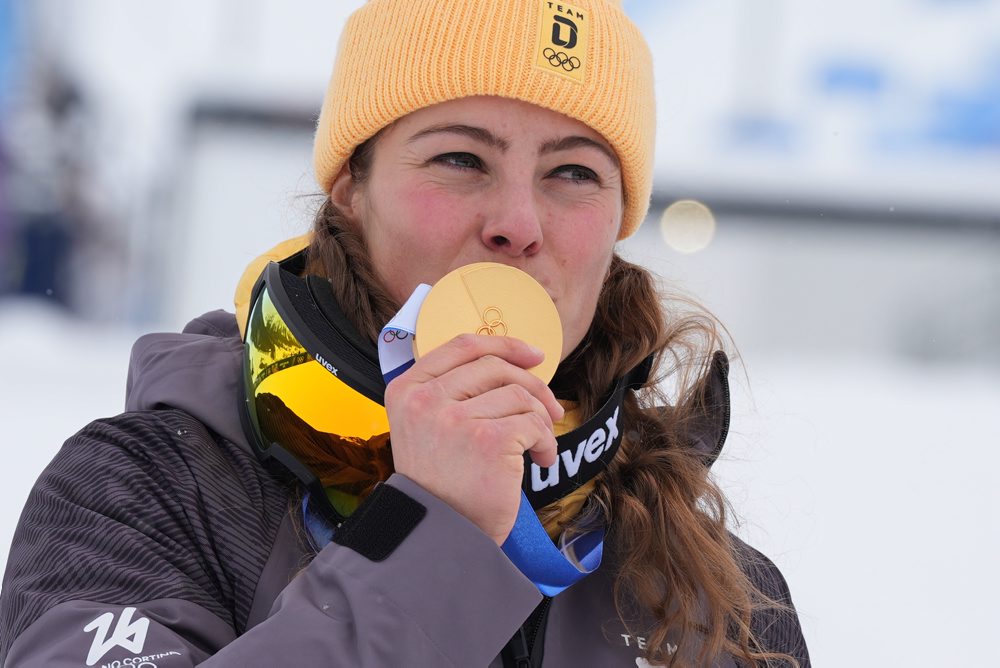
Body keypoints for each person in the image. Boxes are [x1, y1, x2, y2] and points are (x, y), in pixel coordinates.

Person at [0, 1, 811, 666]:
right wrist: (433, 537)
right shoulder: (146, 492)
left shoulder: (713, 594)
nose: (518, 224)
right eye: (461, 159)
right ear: (352, 185)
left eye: (573, 172)